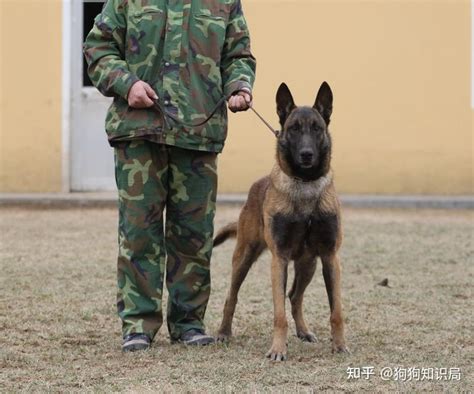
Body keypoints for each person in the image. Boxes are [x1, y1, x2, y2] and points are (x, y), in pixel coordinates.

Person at [83, 0, 256, 352]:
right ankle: (137, 325)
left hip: (198, 135)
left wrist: (239, 86)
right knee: (138, 234)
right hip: (138, 131)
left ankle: (189, 323)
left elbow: (238, 55)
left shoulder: (224, 3)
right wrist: (127, 84)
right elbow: (98, 48)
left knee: (193, 235)